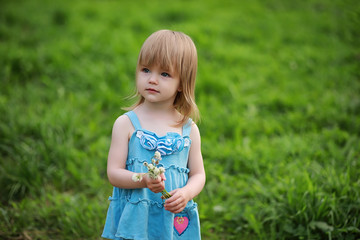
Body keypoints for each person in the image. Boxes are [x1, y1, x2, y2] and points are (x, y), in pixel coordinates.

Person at [101, 30, 206, 240]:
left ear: (182, 83)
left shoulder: (188, 129)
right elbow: (114, 173)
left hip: (171, 217)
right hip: (136, 220)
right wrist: (143, 179)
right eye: (146, 70)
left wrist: (186, 193)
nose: (152, 79)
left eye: (165, 74)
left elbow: (198, 174)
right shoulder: (126, 125)